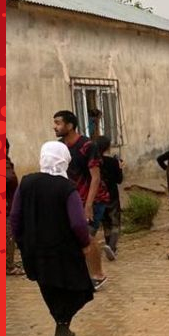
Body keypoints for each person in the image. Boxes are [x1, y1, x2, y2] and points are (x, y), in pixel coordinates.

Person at [10, 142, 95, 336]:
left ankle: (62, 330)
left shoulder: (27, 182)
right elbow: (77, 222)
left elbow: (15, 216)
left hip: (35, 252)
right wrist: (85, 244)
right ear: (64, 159)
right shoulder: (66, 188)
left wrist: (22, 242)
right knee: (75, 289)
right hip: (63, 252)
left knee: (50, 290)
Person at [53, 110, 108, 290]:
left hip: (94, 198)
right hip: (72, 199)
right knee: (73, 238)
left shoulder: (87, 146)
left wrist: (89, 205)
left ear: (70, 125)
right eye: (54, 123)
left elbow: (96, 177)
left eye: (58, 123)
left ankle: (98, 275)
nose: (55, 127)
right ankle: (80, 274)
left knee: (88, 235)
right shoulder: (59, 147)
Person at [93, 136, 123, 261]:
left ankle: (108, 245)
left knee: (105, 223)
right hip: (112, 196)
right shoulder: (112, 162)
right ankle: (112, 247)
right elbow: (119, 180)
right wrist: (120, 168)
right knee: (115, 222)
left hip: (99, 196)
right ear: (107, 147)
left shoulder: (93, 162)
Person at [6, 139, 24, 276]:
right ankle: (8, 266)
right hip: (7, 208)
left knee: (10, 236)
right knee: (8, 236)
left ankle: (9, 264)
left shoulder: (7, 162)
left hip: (11, 205)